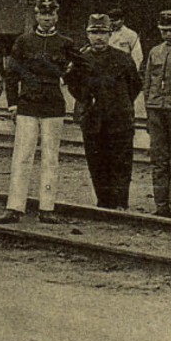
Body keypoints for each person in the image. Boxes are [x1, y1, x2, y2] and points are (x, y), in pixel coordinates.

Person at [0, 0, 78, 224]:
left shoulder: (65, 43)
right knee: (22, 156)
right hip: (27, 104)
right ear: (36, 16)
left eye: (50, 14)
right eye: (42, 14)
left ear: (56, 16)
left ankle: (47, 208)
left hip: (53, 106)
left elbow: (78, 71)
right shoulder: (24, 42)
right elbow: (12, 74)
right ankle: (14, 207)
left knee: (50, 157)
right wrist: (12, 103)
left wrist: (69, 80)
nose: (46, 18)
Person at [69, 13, 142, 209]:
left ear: (110, 34)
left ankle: (120, 204)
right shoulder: (81, 60)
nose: (98, 37)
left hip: (119, 121)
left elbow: (134, 86)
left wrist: (119, 104)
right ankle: (104, 203)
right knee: (97, 163)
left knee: (121, 163)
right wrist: (87, 102)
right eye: (94, 33)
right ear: (87, 34)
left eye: (103, 33)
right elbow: (73, 86)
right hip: (93, 121)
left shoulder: (124, 59)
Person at [141, 9, 171, 219]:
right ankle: (161, 205)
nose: (168, 35)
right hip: (156, 111)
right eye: (164, 31)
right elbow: (147, 82)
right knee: (158, 160)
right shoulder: (154, 52)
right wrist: (148, 109)